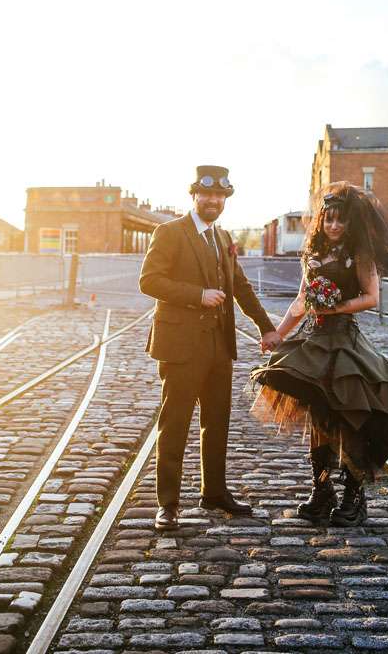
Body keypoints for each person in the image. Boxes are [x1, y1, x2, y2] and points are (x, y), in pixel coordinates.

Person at [251, 182, 388, 527]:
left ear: (350, 222)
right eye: (328, 219)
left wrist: (335, 307)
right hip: (315, 341)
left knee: (349, 417)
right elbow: (301, 300)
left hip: (344, 343)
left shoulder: (359, 254)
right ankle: (321, 491)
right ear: (321, 220)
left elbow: (372, 297)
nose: (334, 226)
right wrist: (279, 333)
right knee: (319, 418)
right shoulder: (312, 254)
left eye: (340, 220)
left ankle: (354, 496)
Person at [140, 165, 281, 530]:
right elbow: (149, 281)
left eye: (220, 196)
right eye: (208, 194)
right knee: (175, 424)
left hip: (219, 346)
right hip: (181, 346)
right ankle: (167, 504)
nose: (214, 201)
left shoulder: (223, 237)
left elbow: (241, 286)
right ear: (194, 195)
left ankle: (214, 492)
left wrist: (266, 327)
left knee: (217, 423)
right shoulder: (170, 232)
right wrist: (197, 295)